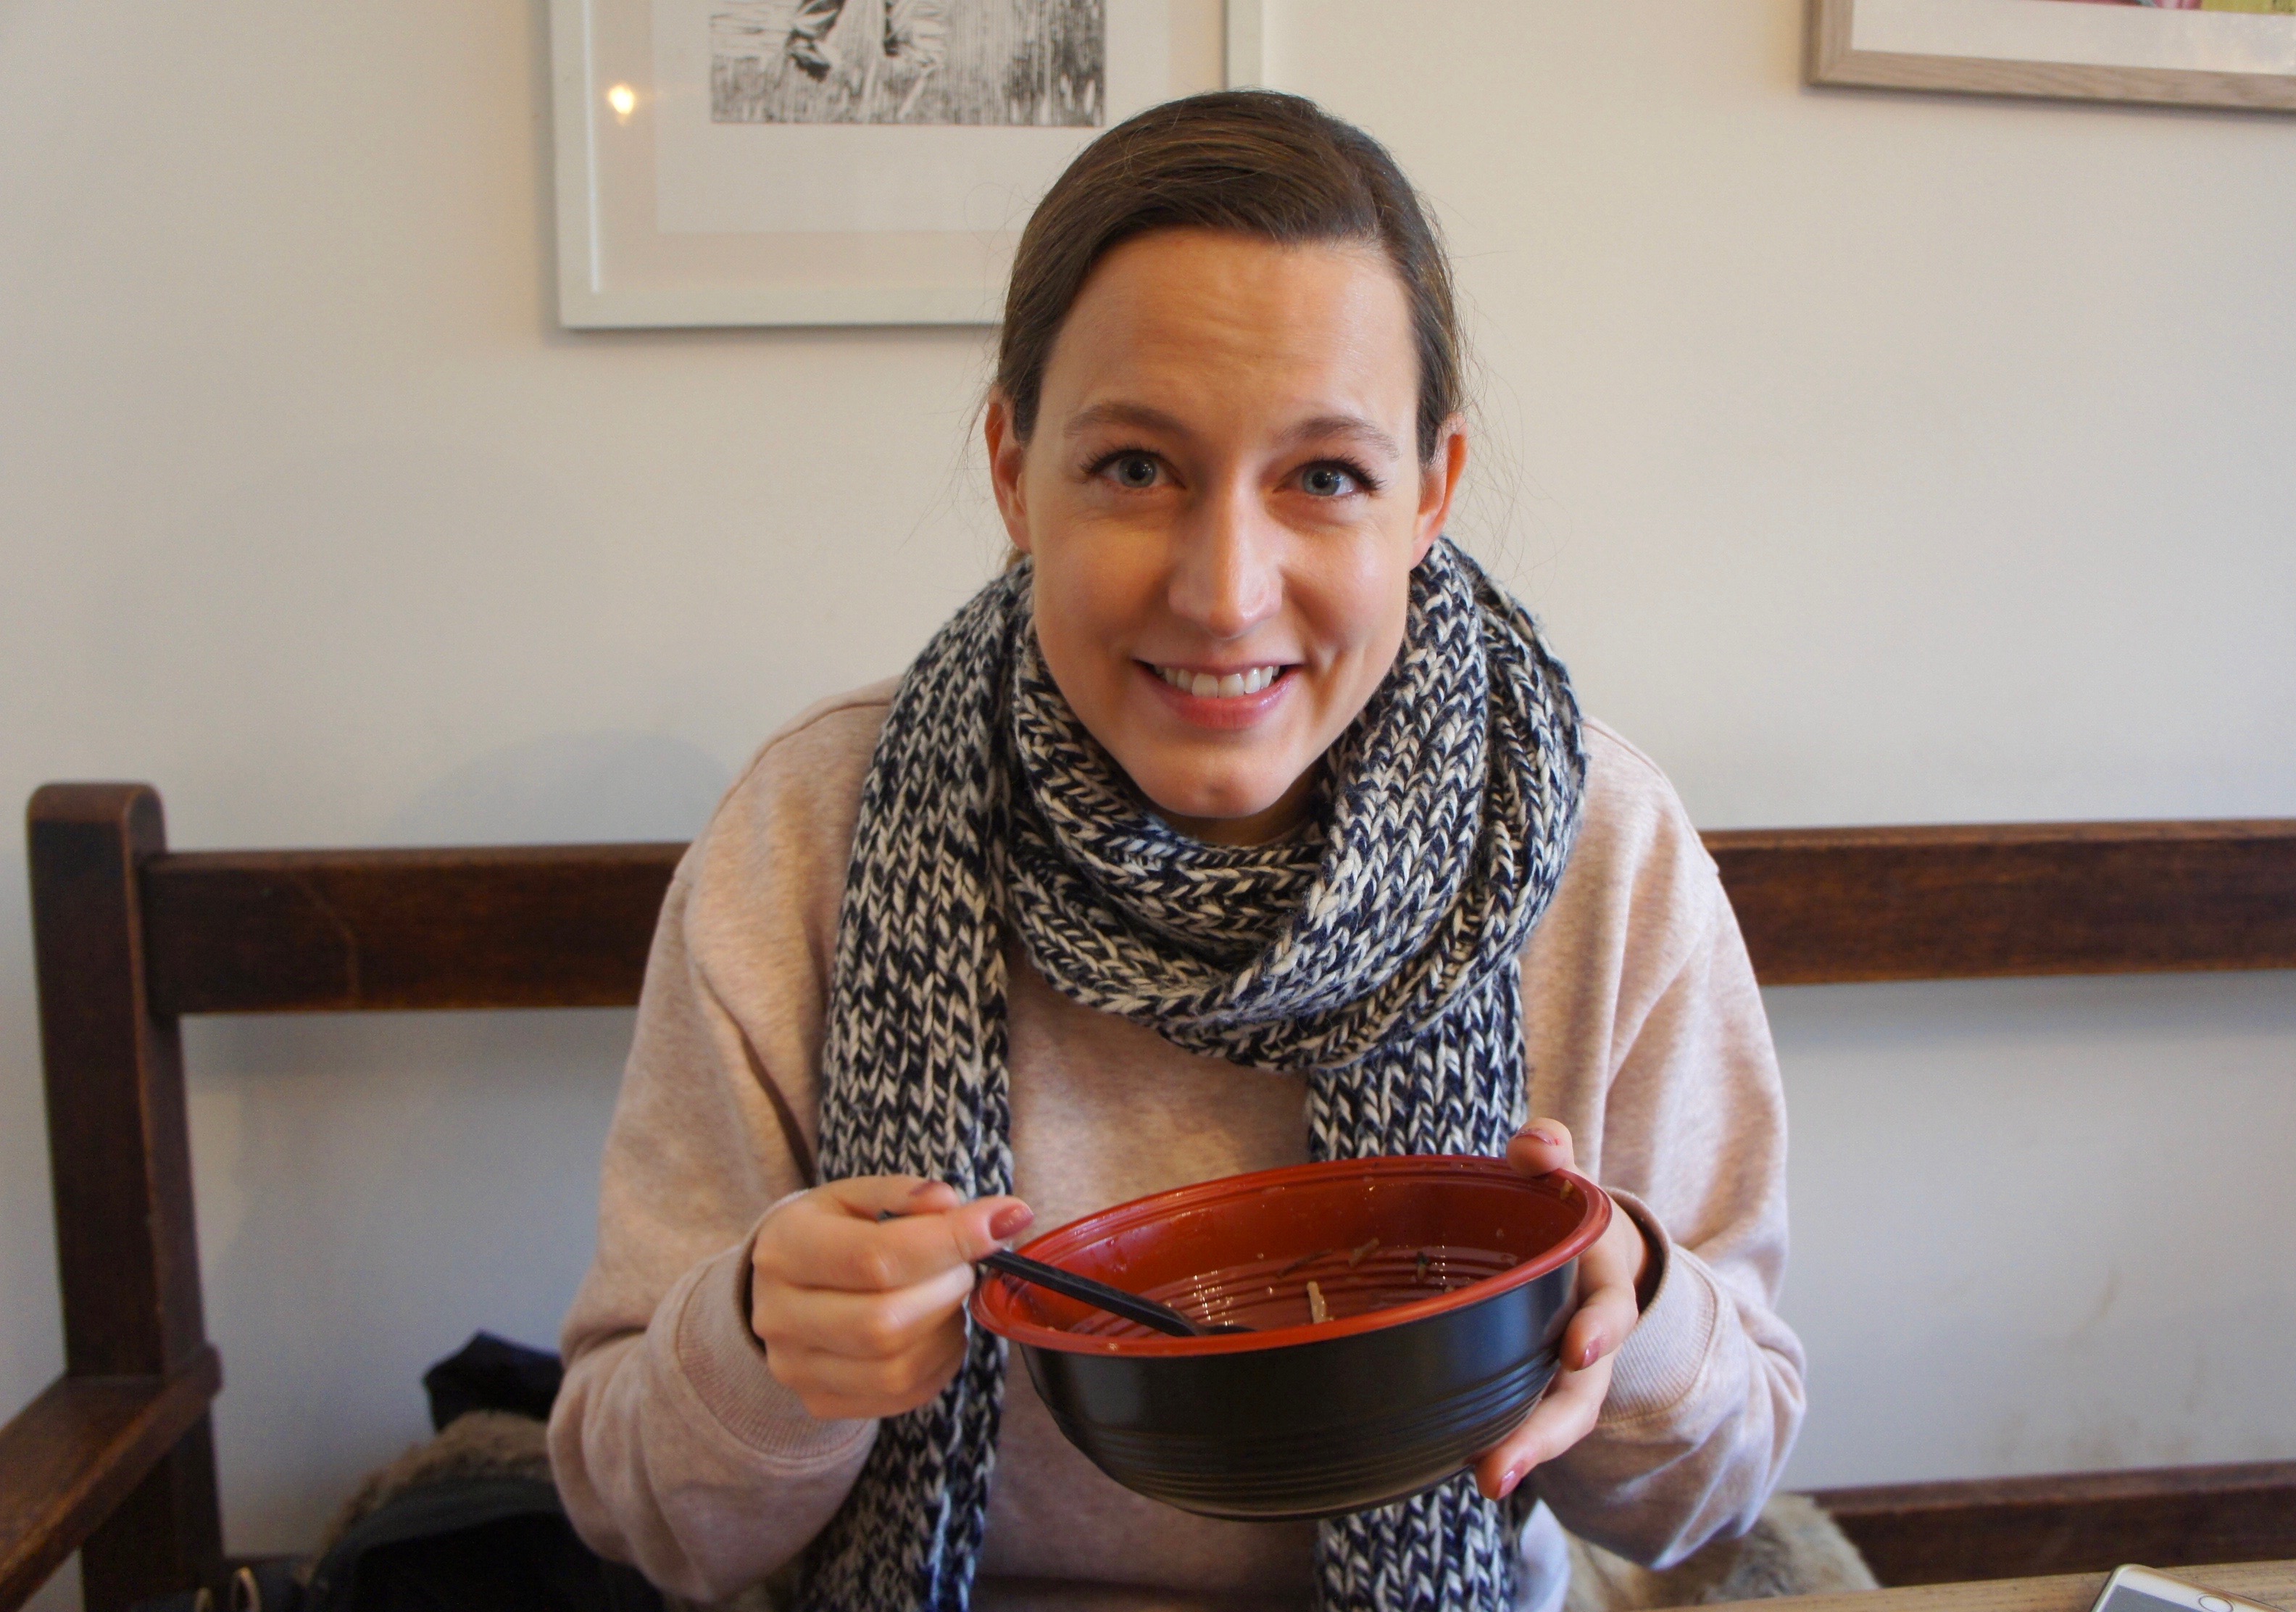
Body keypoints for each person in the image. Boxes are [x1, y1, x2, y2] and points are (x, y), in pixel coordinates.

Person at [548, 89, 1803, 1612]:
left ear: (1432, 492)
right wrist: (758, 1345)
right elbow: (638, 1511)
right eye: (1136, 466)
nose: (1223, 591)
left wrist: (1635, 1309)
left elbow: (1711, 1496)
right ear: (1014, 472)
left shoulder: (1600, 853)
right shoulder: (812, 831)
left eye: (1325, 475)